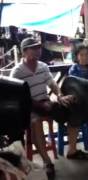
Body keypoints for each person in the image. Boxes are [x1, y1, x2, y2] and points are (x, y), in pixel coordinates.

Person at [10, 38, 74, 178]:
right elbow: (19, 97)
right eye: (33, 48)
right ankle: (47, 161)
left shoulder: (43, 66)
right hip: (29, 106)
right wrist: (39, 105)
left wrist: (60, 96)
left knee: (71, 105)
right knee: (35, 121)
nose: (37, 50)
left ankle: (73, 149)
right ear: (24, 51)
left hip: (45, 102)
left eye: (38, 47)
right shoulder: (17, 71)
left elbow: (52, 83)